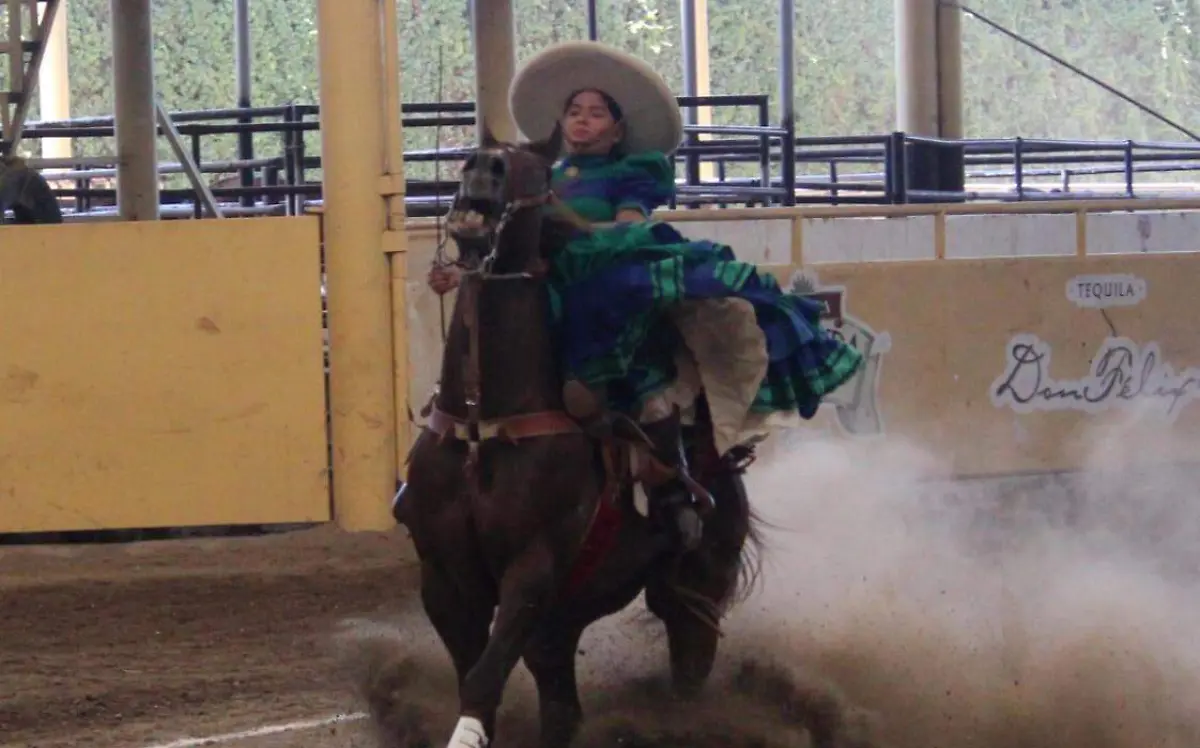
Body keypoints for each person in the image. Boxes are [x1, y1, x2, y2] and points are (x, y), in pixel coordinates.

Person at [427, 41, 864, 551]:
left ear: (617, 128)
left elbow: (628, 229)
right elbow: (505, 243)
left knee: (617, 307)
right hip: (545, 280)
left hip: (607, 273)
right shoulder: (539, 174)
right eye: (574, 111)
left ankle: (670, 477)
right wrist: (459, 273)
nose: (582, 121)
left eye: (596, 113)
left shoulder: (633, 172)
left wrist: (571, 231)